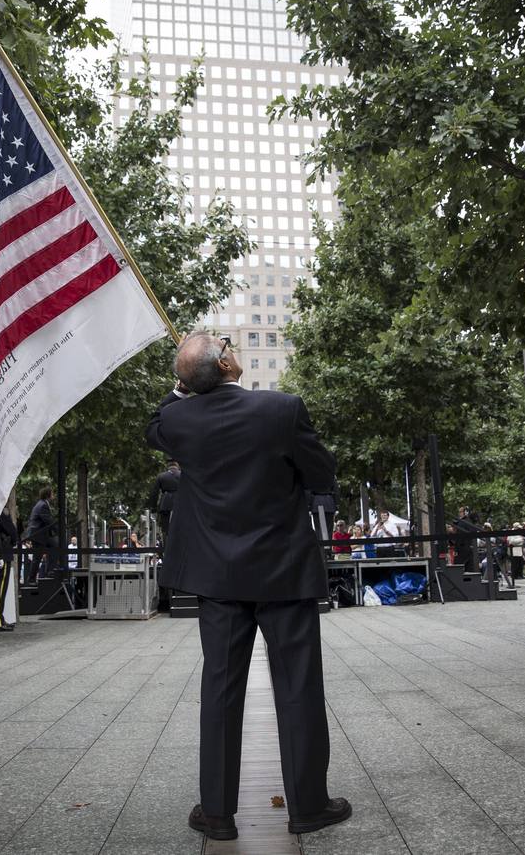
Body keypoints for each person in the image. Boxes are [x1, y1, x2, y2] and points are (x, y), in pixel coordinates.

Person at [147, 331, 350, 840]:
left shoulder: (177, 420)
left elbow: (155, 423)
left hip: (216, 576)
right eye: (225, 343)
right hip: (283, 570)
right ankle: (308, 807)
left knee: (219, 689)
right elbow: (322, 474)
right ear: (229, 363)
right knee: (298, 687)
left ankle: (217, 813)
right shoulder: (282, 410)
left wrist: (182, 385)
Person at [151, 459, 180, 541]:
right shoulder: (184, 475)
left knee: (165, 528)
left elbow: (154, 493)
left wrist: (153, 509)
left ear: (168, 466)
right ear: (177, 465)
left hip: (165, 504)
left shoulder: (161, 476)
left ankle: (166, 547)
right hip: (180, 504)